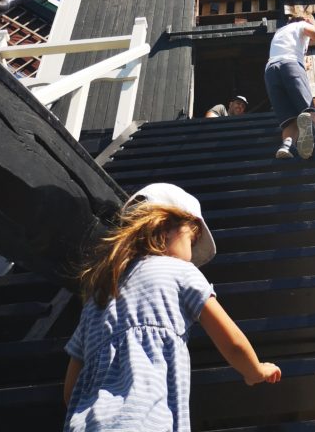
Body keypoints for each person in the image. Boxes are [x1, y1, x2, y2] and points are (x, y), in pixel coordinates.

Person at [62, 182, 280, 432]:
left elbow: (71, 392)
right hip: (143, 422)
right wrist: (255, 370)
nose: (191, 255)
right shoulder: (180, 271)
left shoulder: (99, 295)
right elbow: (232, 342)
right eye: (192, 239)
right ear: (165, 228)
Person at [264, 7, 315, 160]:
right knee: (310, 112)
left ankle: (286, 145)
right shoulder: (302, 25)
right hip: (291, 64)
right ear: (308, 20)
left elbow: (282, 56)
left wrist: (304, 66)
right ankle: (309, 132)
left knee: (289, 120)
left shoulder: (280, 31)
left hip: (270, 71)